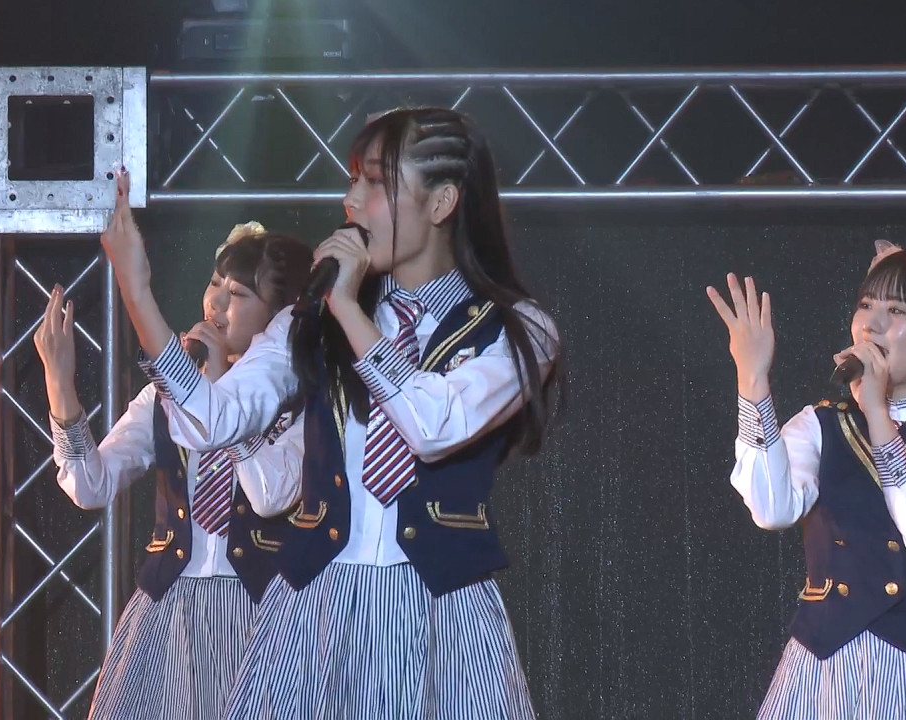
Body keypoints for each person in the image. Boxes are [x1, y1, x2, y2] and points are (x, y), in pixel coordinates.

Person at [99, 107, 564, 719]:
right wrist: (138, 295)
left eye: (375, 183)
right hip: (314, 606)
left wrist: (347, 308)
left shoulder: (517, 327)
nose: (351, 201)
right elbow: (213, 419)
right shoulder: (307, 322)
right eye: (352, 180)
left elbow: (434, 426)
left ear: (442, 202)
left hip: (441, 611)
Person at [706, 243, 906, 719]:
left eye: (896, 310)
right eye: (866, 305)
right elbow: (772, 509)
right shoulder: (821, 422)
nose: (871, 324)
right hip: (825, 667)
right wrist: (753, 380)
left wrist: (876, 411)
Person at [35, 217, 311, 719]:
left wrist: (221, 390)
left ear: (278, 316)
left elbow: (270, 492)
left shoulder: (299, 399)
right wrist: (60, 386)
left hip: (264, 610)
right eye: (214, 284)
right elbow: (91, 485)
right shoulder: (164, 398)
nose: (216, 304)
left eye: (239, 294)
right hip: (170, 610)